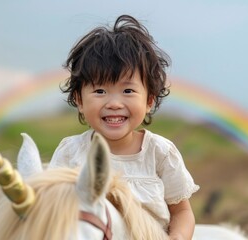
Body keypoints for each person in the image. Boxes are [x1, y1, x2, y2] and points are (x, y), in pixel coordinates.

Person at [49, 14, 199, 240]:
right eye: (100, 91)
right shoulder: (71, 153)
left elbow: (182, 212)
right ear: (79, 100)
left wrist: (177, 236)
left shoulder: (159, 153)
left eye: (128, 91)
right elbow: (52, 211)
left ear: (149, 101)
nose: (114, 103)